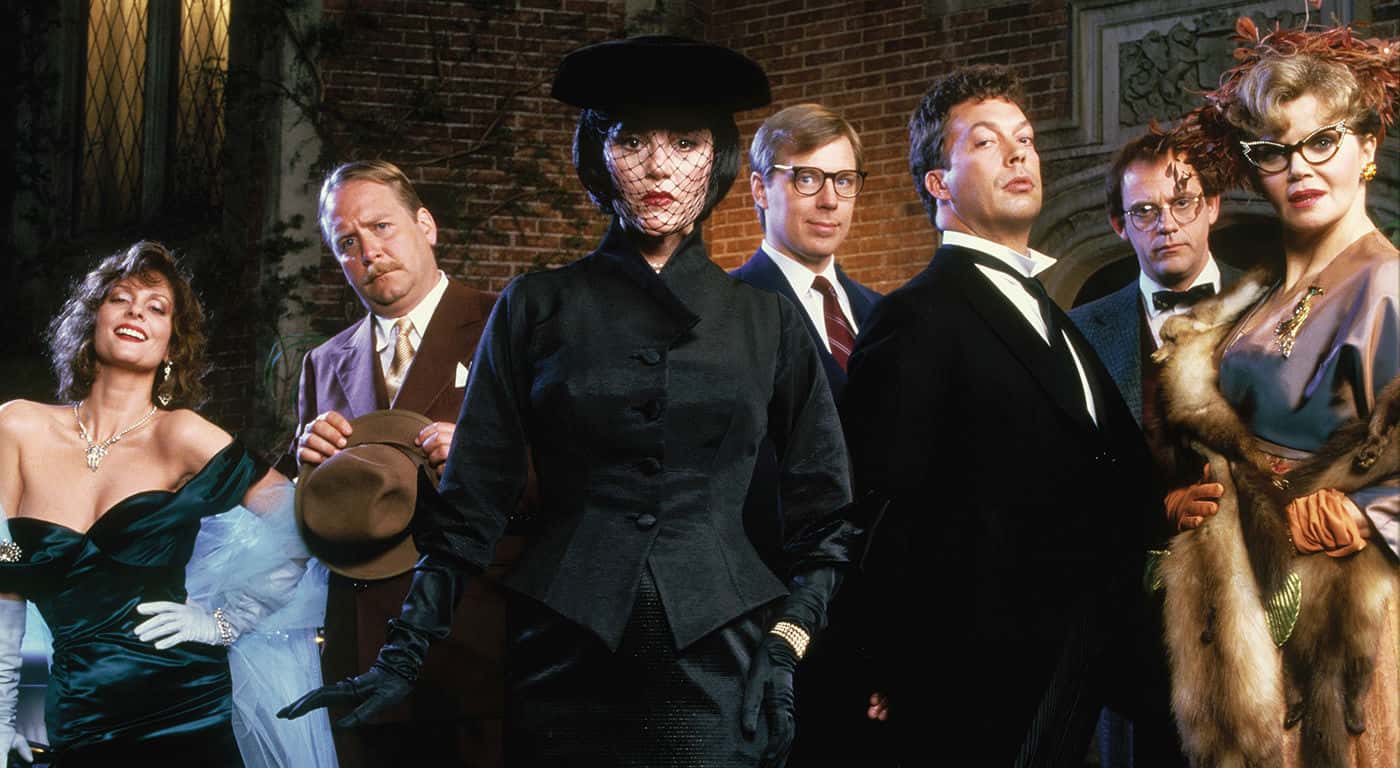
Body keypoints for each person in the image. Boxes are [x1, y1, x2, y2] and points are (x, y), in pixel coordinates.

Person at [281, 36, 860, 767]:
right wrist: (403, 654)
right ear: (598, 155)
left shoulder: (766, 321)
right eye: (631, 141)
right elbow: (470, 507)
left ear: (717, 158)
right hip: (561, 658)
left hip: (723, 663)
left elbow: (826, 520)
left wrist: (786, 646)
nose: (658, 166)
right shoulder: (536, 306)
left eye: (685, 142)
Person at [839, 64, 1154, 765]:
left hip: (1088, 670)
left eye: (1026, 139)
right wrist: (884, 663)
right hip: (973, 689)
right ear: (938, 183)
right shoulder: (915, 317)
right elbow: (883, 507)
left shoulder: (1055, 317)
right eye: (985, 142)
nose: (1018, 154)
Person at [1163, 20, 1398, 767]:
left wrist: (1371, 510)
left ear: (1367, 146)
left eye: (1321, 141)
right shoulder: (1258, 294)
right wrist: (1188, 494)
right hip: (1242, 613)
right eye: (1273, 151)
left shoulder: (1390, 282)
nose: (1299, 168)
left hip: (1340, 623)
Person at [0, 241, 332, 765]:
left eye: (156, 308)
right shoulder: (17, 426)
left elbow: (301, 525)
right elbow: (5, 580)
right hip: (81, 718)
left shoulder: (181, 434)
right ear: (91, 321)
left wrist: (223, 622)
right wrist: (0, 716)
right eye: (120, 299)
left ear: (172, 345)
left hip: (188, 707)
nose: (136, 312)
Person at [286, 159, 521, 768]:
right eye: (347, 242)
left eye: (381, 227)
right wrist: (308, 459)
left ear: (426, 225)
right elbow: (313, 519)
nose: (368, 251)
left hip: (479, 646)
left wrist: (484, 453)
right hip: (361, 655)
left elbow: (574, 474)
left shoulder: (509, 323)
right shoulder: (321, 363)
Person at [1068, 131, 1243, 766]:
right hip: (1133, 633)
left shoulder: (1274, 309)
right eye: (1144, 211)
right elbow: (1067, 478)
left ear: (1212, 205)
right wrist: (1149, 512)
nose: (1165, 223)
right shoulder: (1080, 332)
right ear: (1120, 225)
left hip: (1257, 611)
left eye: (1182, 202)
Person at [730, 103, 887, 767]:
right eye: (806, 178)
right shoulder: (726, 312)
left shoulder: (884, 314)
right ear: (759, 188)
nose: (829, 200)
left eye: (844, 180)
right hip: (775, 626)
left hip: (876, 633)